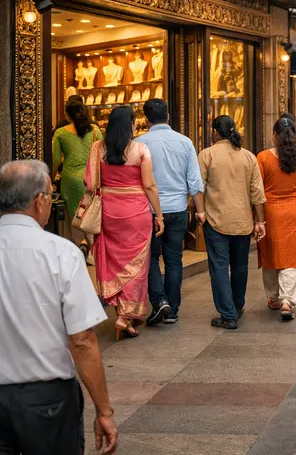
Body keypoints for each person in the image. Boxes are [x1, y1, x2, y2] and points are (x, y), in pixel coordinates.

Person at [0, 160, 118, 455]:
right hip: (46, 399)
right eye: (51, 197)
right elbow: (82, 340)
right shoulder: (61, 253)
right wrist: (103, 410)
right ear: (39, 202)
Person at [87, 106, 164, 340]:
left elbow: (89, 184)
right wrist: (159, 216)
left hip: (109, 212)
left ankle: (120, 312)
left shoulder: (96, 149)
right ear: (130, 125)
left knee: (114, 262)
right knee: (137, 265)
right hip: (136, 213)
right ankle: (125, 316)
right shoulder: (140, 150)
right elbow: (149, 185)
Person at [136, 99, 206, 326]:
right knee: (174, 259)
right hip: (177, 208)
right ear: (168, 115)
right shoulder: (185, 143)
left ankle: (160, 301)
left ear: (146, 119)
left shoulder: (139, 143)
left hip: (148, 211)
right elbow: (195, 182)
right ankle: (172, 309)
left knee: (151, 258)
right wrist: (200, 211)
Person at [199, 115, 267, 329]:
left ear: (215, 132)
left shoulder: (206, 155)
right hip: (242, 220)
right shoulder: (248, 157)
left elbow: (198, 187)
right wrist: (261, 221)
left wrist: (199, 212)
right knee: (239, 266)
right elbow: (258, 193)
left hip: (216, 218)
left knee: (219, 266)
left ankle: (227, 313)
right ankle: (237, 306)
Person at [257, 118, 296, 320]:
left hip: (270, 213)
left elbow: (256, 189)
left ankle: (274, 298)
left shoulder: (264, 158)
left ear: (274, 135)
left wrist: (255, 217)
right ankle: (287, 300)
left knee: (270, 255)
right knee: (292, 257)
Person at [53, 99, 102, 257]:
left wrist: (51, 177)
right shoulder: (94, 130)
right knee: (91, 209)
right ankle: (90, 244)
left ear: (67, 115)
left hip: (70, 179)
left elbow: (55, 160)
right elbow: (102, 154)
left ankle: (79, 242)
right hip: (91, 177)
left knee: (73, 212)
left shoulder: (60, 133)